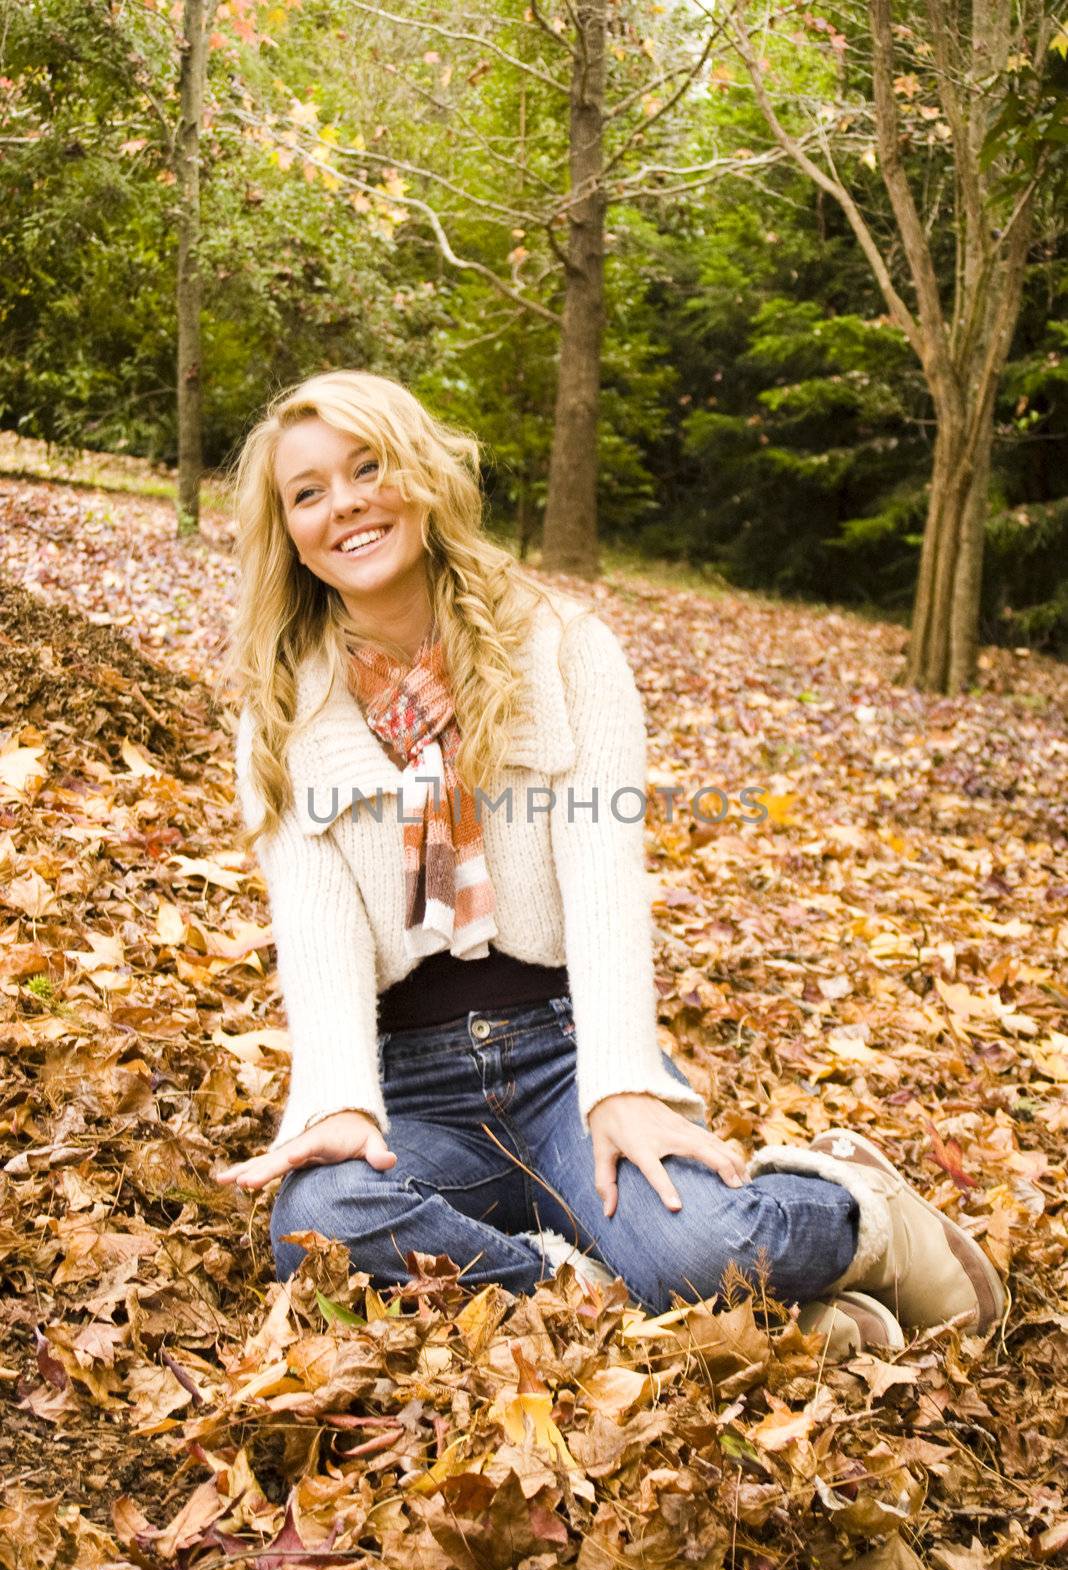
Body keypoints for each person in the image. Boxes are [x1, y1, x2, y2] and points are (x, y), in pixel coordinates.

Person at [215, 370, 1006, 1356]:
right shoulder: (285, 707)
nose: (347, 503)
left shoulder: (561, 647)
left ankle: (860, 1210)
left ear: (418, 473)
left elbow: (603, 878)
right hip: (410, 1089)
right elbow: (317, 924)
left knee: (700, 1249)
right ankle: (602, 1294)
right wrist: (337, 1101)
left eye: (368, 466)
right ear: (289, 530)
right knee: (319, 1225)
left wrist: (622, 1078)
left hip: (564, 1055)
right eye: (310, 491)